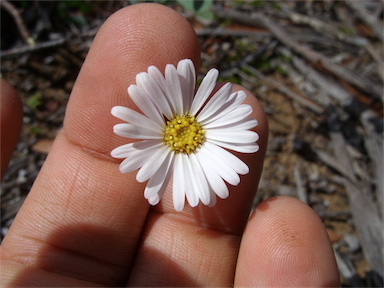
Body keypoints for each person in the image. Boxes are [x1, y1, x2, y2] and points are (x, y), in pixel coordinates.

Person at [0, 4, 340, 287]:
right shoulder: (157, 130)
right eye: (181, 130)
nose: (183, 132)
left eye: (185, 130)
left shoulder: (195, 136)